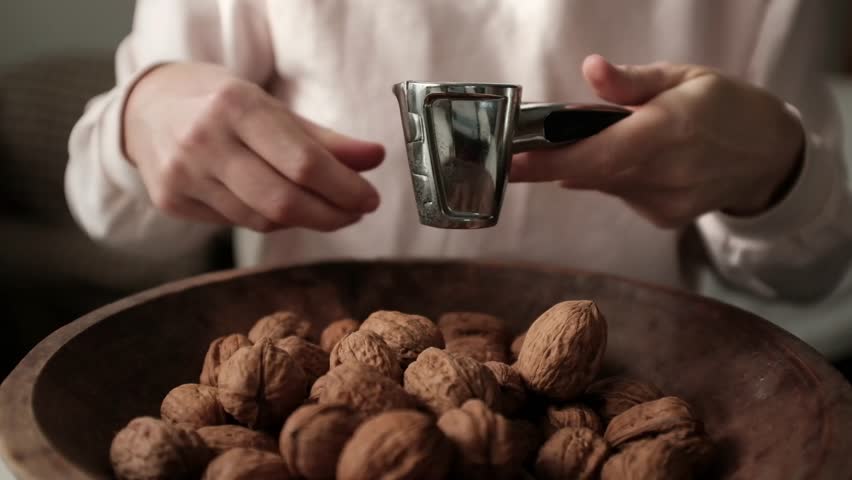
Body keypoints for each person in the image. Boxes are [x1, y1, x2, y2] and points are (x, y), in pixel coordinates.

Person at [66, 1, 852, 310]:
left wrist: (778, 170)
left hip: (613, 396)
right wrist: (142, 115)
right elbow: (113, 216)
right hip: (315, 392)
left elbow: (810, 273)